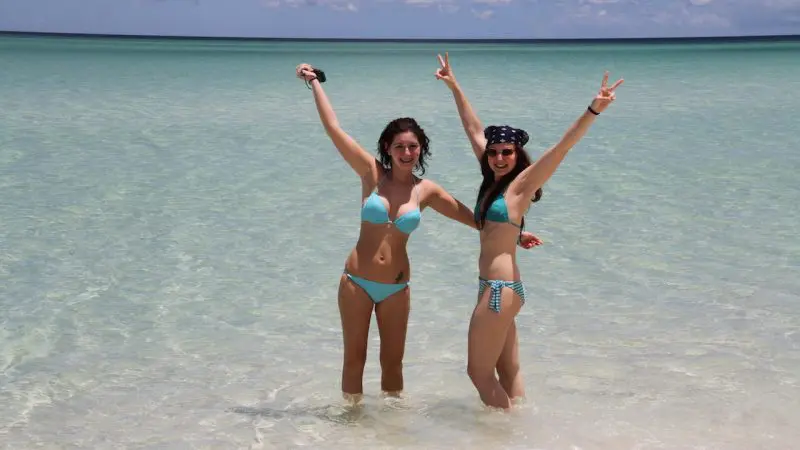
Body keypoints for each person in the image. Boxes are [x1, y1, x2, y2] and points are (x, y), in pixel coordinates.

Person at [295, 63, 544, 405]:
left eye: (413, 147)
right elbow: (334, 128)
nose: (407, 153)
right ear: (387, 147)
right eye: (400, 146)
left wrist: (516, 235)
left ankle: (391, 430)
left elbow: (481, 221)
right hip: (356, 281)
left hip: (397, 286)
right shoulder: (370, 174)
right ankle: (351, 430)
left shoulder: (425, 191)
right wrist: (314, 83)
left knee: (393, 365)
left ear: (420, 150)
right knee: (354, 360)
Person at [434, 52, 624, 410]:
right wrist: (454, 85)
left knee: (478, 373)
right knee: (507, 369)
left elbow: (562, 147)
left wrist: (594, 109)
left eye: (507, 152)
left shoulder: (520, 185)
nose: (499, 158)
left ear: (518, 154)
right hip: (497, 288)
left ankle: (501, 433)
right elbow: (474, 129)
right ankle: (521, 432)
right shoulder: (492, 179)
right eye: (494, 153)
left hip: (498, 291)